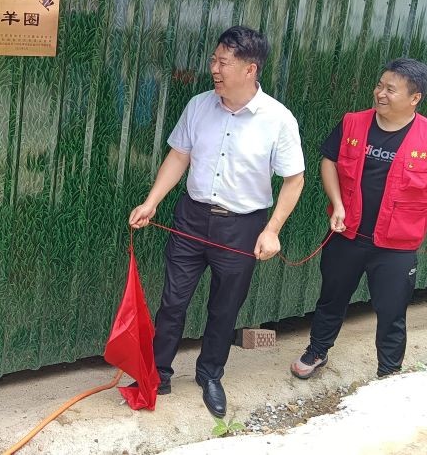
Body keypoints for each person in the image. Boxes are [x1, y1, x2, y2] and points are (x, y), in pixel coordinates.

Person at [129, 26, 305, 418]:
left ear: (250, 69)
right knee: (172, 302)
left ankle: (210, 374)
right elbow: (179, 156)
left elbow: (294, 179)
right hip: (190, 220)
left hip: (241, 227)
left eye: (223, 62)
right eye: (214, 60)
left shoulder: (277, 119)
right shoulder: (199, 106)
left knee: (224, 309)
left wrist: (272, 229)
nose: (214, 69)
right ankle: (157, 373)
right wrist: (151, 202)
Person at [291, 58, 427, 381]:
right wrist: (337, 204)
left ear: (414, 98)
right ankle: (317, 350)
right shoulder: (353, 123)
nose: (380, 93)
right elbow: (329, 161)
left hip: (396, 246)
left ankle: (388, 373)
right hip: (348, 235)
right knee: (331, 299)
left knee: (392, 312)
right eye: (379, 85)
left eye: (390, 89)